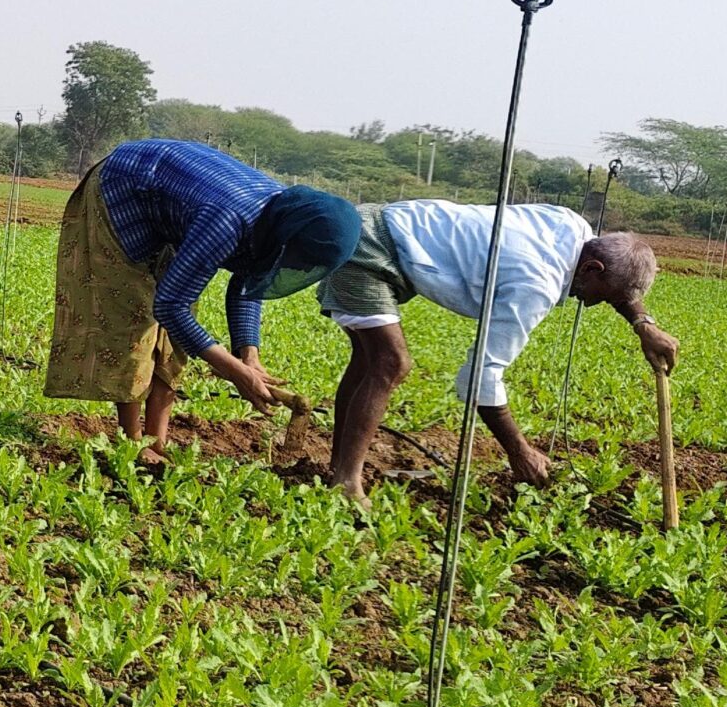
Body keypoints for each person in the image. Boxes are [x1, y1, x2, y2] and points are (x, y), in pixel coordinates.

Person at [320, 200, 679, 501]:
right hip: (368, 247)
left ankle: (339, 468)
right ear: (590, 268)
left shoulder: (573, 228)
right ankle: (347, 482)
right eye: (603, 295)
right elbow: (480, 377)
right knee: (390, 363)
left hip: (374, 224)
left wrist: (643, 323)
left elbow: (608, 274)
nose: (591, 304)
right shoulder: (534, 284)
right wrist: (519, 451)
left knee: (369, 360)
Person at [45, 138, 358, 453]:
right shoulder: (229, 219)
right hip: (124, 188)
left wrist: (249, 355)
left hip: (174, 203)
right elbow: (169, 306)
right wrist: (234, 371)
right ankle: (133, 442)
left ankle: (158, 441)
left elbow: (250, 280)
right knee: (135, 317)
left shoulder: (282, 217)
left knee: (177, 336)